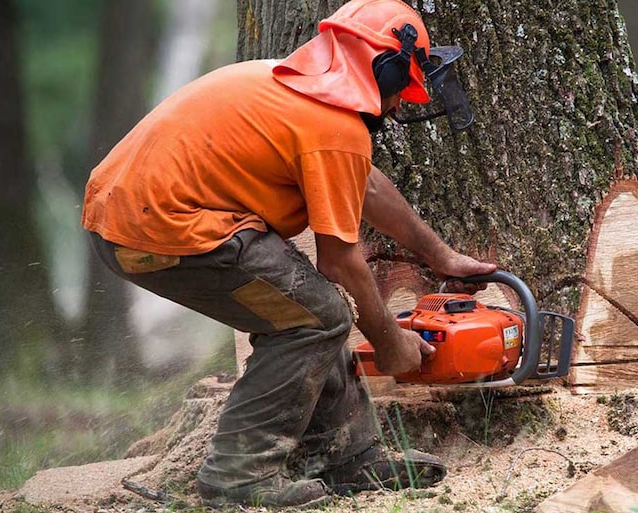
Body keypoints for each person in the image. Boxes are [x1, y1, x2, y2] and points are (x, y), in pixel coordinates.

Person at [81, 0, 495, 508]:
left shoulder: (300, 94)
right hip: (163, 229)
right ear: (383, 70)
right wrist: (390, 342)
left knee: (312, 309)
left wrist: (440, 255)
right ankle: (238, 476)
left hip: (130, 220)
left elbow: (365, 184)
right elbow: (340, 263)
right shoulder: (333, 127)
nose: (399, 104)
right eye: (400, 88)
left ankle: (347, 455)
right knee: (318, 315)